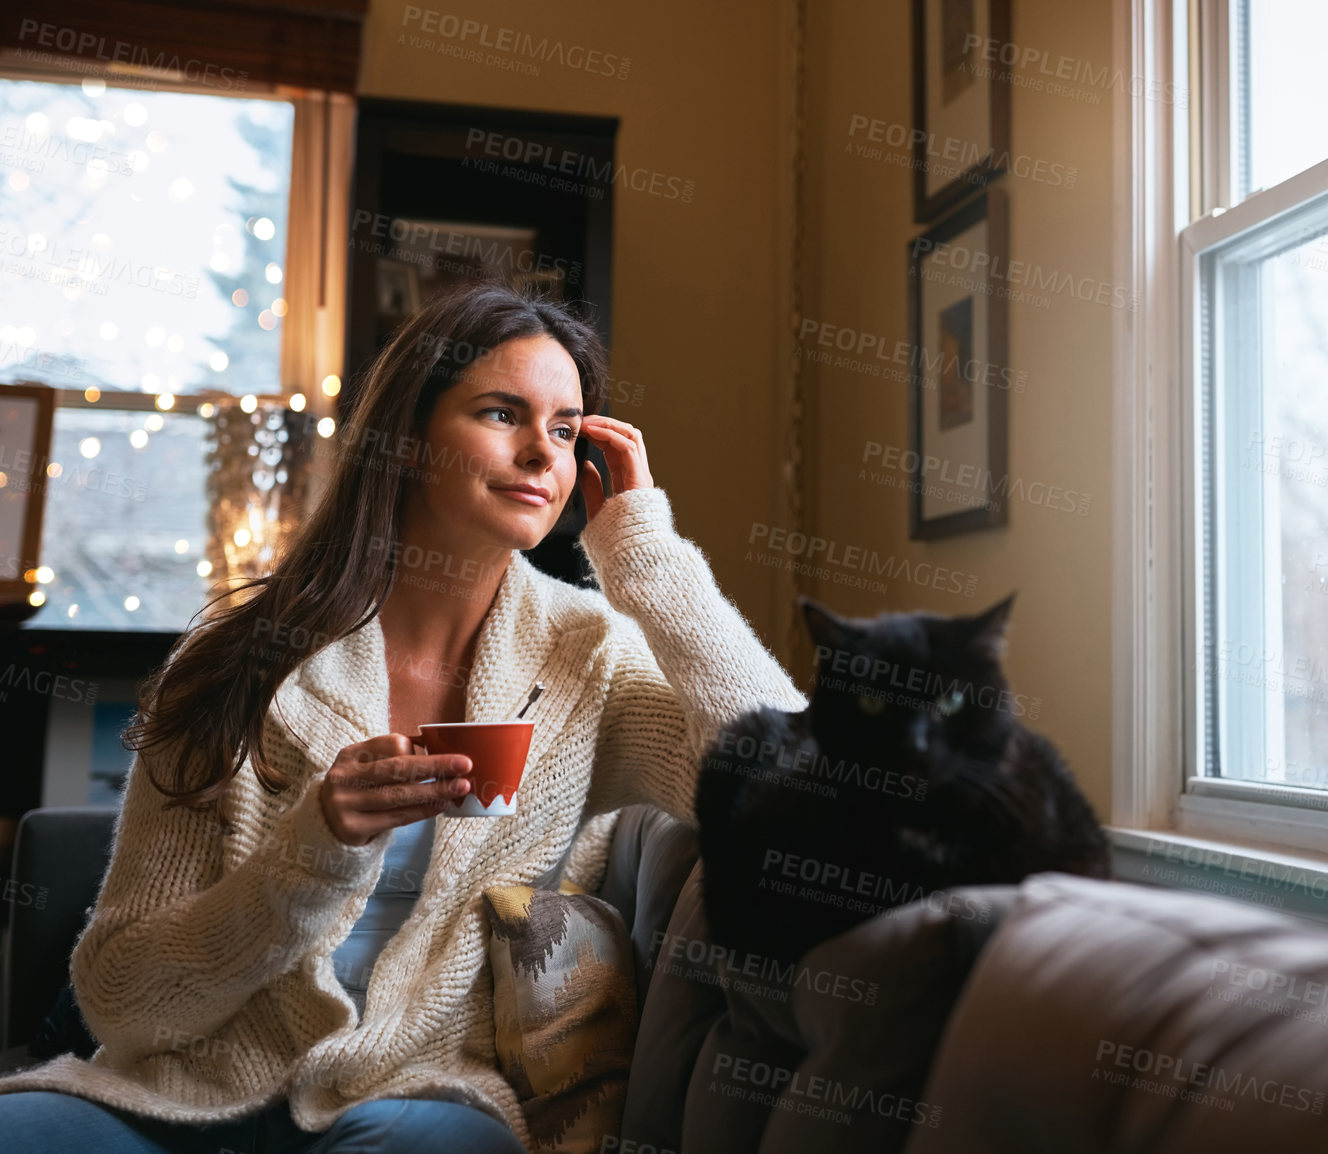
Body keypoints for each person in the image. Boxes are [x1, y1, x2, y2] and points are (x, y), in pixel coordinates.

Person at [0, 282, 807, 1152]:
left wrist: (643, 551)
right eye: (503, 413)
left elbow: (784, 786)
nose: (543, 452)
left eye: (568, 429)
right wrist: (309, 855)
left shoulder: (588, 660)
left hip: (416, 1099)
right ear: (409, 439)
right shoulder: (237, 658)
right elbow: (121, 996)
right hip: (184, 1095)